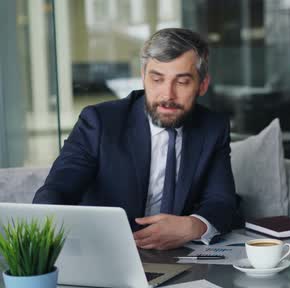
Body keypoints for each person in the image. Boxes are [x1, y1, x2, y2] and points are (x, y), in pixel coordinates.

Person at [34, 28, 240, 250]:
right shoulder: (100, 123)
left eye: (181, 82)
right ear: (143, 76)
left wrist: (193, 226)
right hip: (107, 251)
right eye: (157, 79)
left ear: (202, 84)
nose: (167, 95)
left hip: (177, 256)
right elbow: (58, 190)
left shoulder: (213, 127)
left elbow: (222, 201)